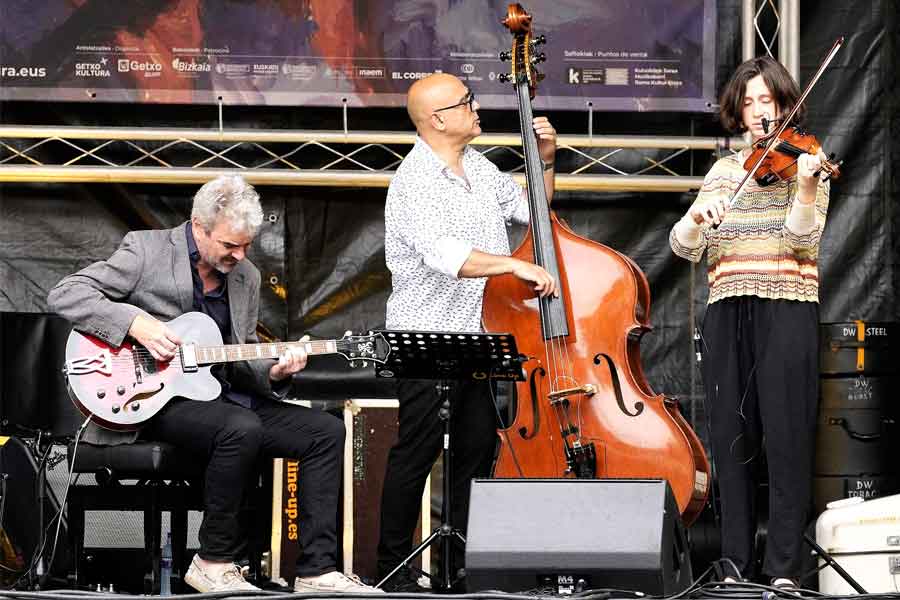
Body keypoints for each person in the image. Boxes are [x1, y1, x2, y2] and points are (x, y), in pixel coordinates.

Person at [48, 175, 382, 594]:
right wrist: (138, 324)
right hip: (150, 399)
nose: (239, 255)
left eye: (246, 245)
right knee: (239, 428)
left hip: (217, 396)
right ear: (199, 226)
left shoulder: (246, 276)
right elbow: (66, 293)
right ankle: (212, 561)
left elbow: (239, 356)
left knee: (325, 431)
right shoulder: (145, 250)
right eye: (229, 245)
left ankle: (315, 571)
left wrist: (276, 371)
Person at [377, 73, 558, 591]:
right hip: (425, 336)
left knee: (477, 449)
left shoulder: (477, 165)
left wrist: (545, 160)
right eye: (467, 102)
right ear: (437, 119)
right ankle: (393, 572)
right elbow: (444, 254)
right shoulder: (414, 179)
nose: (477, 108)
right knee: (419, 448)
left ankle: (459, 570)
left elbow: (536, 213)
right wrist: (513, 267)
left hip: (479, 335)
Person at [669, 56, 830, 588]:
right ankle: (735, 566)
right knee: (732, 440)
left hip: (786, 305)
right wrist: (695, 220)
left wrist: (805, 188)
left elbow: (803, 238)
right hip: (727, 308)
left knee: (786, 440)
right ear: (737, 112)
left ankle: (785, 570)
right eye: (749, 102)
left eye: (769, 100)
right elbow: (684, 247)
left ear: (786, 104)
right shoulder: (722, 172)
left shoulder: (807, 159)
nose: (760, 111)